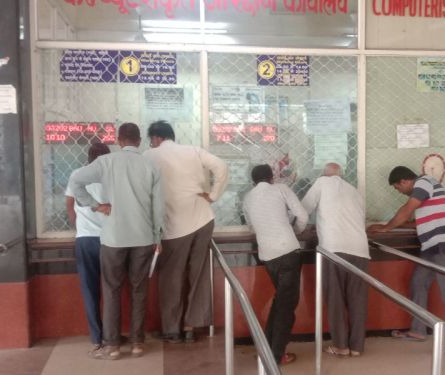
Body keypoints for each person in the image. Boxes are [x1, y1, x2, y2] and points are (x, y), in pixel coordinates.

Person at [69, 123, 164, 360]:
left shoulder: (106, 162)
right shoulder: (151, 165)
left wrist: (95, 205)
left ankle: (112, 346)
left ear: (119, 141)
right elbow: (158, 206)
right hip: (143, 237)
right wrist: (157, 237)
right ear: (139, 141)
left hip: (113, 238)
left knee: (111, 289)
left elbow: (76, 181)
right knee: (139, 290)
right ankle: (137, 344)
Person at [145, 120, 229, 343]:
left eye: (151, 140)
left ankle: (172, 330)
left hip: (174, 225)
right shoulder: (193, 150)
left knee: (171, 278)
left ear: (156, 138)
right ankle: (192, 326)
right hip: (202, 218)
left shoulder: (149, 156)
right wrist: (213, 195)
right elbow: (221, 167)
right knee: (198, 274)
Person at [367, 166, 445, 354]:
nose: (399, 191)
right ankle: (418, 330)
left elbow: (407, 209)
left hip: (443, 246)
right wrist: (394, 225)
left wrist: (386, 228)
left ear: (404, 181)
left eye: (397, 187)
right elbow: (417, 221)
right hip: (430, 247)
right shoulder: (425, 189)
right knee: (418, 283)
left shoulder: (424, 182)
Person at [301, 163, 370, 358]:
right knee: (358, 300)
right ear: (341, 176)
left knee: (335, 298)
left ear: (325, 175)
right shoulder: (354, 191)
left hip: (334, 249)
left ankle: (341, 346)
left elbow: (303, 210)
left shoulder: (322, 183)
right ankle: (357, 347)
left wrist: (299, 227)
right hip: (360, 249)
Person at [243, 164, 308, 366]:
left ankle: (268, 350)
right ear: (272, 178)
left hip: (268, 256)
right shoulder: (281, 189)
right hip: (288, 251)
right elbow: (303, 216)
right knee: (286, 306)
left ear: (253, 181)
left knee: (280, 303)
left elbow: (252, 227)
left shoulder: (248, 198)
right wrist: (295, 231)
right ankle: (277, 355)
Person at [65, 143, 110, 356]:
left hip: (85, 240)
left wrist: (79, 227)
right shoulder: (112, 177)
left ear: (88, 158)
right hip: (110, 240)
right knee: (112, 290)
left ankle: (96, 338)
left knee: (90, 290)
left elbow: (69, 204)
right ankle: (111, 336)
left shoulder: (77, 175)